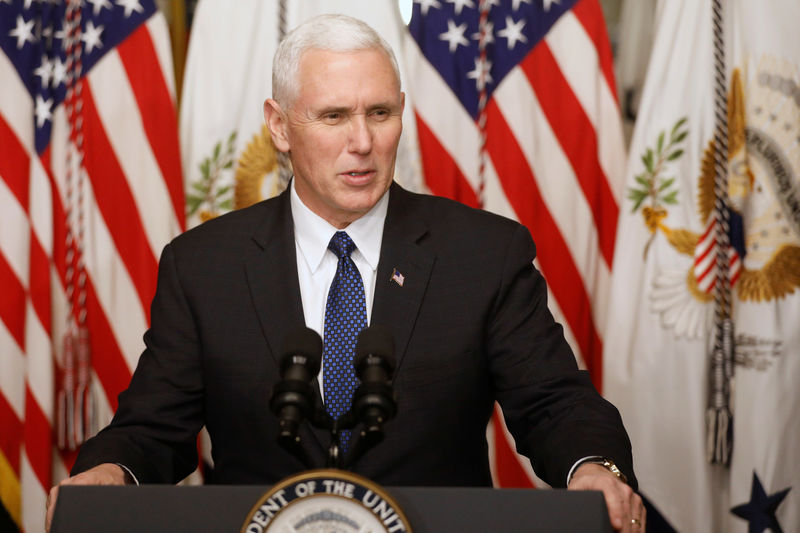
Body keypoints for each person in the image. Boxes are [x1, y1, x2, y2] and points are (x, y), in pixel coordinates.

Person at [46, 14, 645, 532]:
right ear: (279, 126)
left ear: (402, 115)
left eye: (379, 113)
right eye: (333, 116)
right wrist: (111, 471)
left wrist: (592, 466)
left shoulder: (483, 253)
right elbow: (153, 426)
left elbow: (553, 403)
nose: (362, 142)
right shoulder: (204, 264)